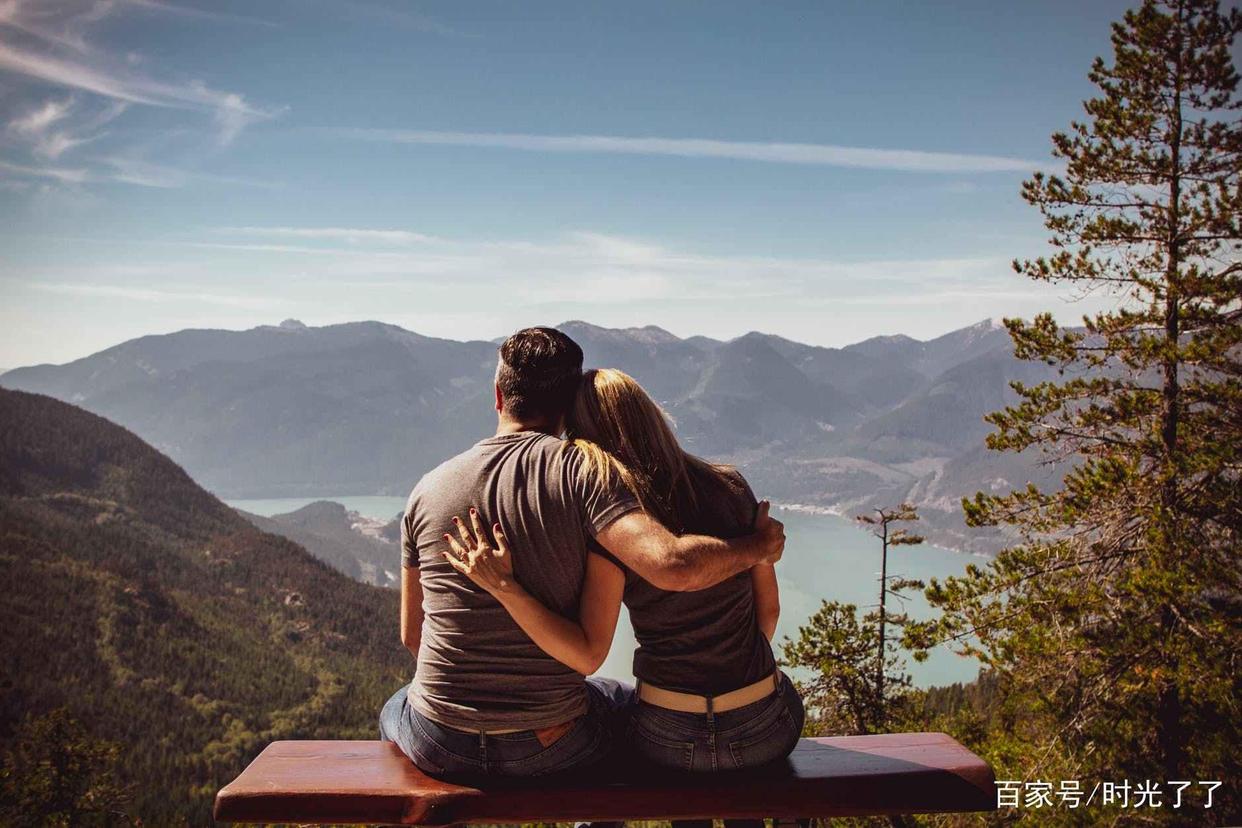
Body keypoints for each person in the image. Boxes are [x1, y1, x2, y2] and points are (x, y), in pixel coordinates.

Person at [380, 329, 786, 783]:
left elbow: (414, 637)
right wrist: (758, 548)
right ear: (569, 403)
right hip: (551, 742)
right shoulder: (586, 476)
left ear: (498, 396)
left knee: (396, 705)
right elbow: (668, 571)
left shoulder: (425, 489)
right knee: (613, 700)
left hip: (440, 741)